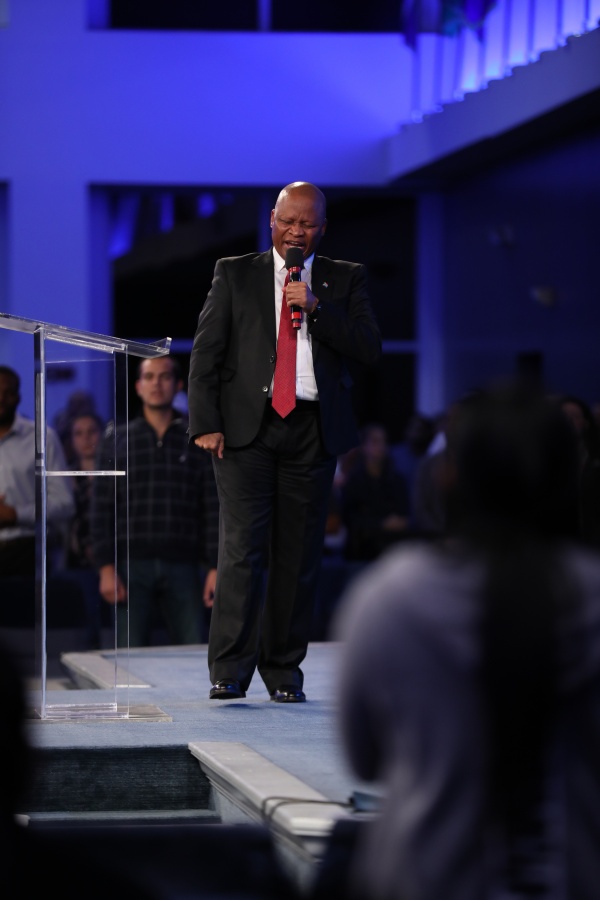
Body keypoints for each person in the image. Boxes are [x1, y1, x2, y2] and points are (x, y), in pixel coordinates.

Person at [334, 383, 600, 900]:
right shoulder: (592, 597)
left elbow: (365, 760)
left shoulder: (393, 598)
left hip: (420, 879)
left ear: (451, 477)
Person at [187, 180, 381, 702]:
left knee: (298, 556)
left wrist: (316, 307)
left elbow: (368, 346)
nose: (297, 231)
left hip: (313, 430)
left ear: (323, 228)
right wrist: (205, 421)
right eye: (288, 221)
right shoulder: (234, 272)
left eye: (307, 223)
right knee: (242, 550)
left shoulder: (345, 277)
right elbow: (206, 353)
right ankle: (230, 670)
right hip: (245, 430)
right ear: (271, 222)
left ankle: (283, 671)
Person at [91, 356, 219, 648]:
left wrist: (215, 565)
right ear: (138, 386)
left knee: (193, 651)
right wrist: (105, 567)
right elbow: (101, 508)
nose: (156, 384)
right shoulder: (116, 440)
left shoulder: (197, 439)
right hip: (130, 564)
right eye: (149, 377)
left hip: (184, 562)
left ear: (178, 385)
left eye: (164, 377)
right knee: (128, 656)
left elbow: (213, 507)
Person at [0, 365, 75, 576]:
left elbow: (64, 504)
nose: (1, 399)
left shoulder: (43, 438)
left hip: (25, 552)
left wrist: (16, 514)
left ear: (18, 397)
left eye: (7, 392)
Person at [61, 411, 107, 648]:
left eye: (92, 432)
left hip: (113, 560)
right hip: (75, 563)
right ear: (71, 440)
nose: (86, 438)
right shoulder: (63, 477)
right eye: (79, 433)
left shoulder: (113, 473)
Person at [340, 422, 411, 561]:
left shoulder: (396, 479)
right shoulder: (354, 481)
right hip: (361, 550)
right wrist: (381, 524)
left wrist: (399, 522)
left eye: (384, 441)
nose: (381, 446)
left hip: (392, 550)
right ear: (364, 446)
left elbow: (405, 514)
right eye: (375, 441)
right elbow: (349, 518)